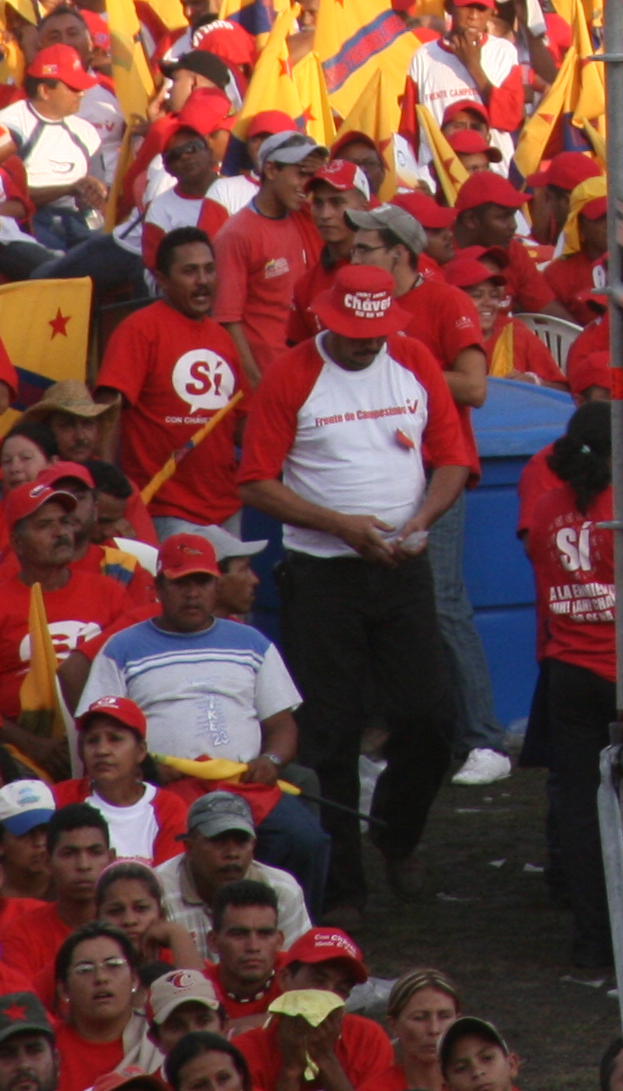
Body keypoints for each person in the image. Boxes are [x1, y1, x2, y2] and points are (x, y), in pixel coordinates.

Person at [235, 268, 474, 907]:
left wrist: (422, 519)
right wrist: (340, 526)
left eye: (378, 333)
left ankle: (397, 833)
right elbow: (255, 481)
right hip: (322, 574)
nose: (369, 344)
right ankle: (344, 884)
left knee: (431, 717)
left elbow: (454, 459)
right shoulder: (291, 374)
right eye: (356, 334)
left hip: (402, 567)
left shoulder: (414, 360)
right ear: (327, 321)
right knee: (329, 732)